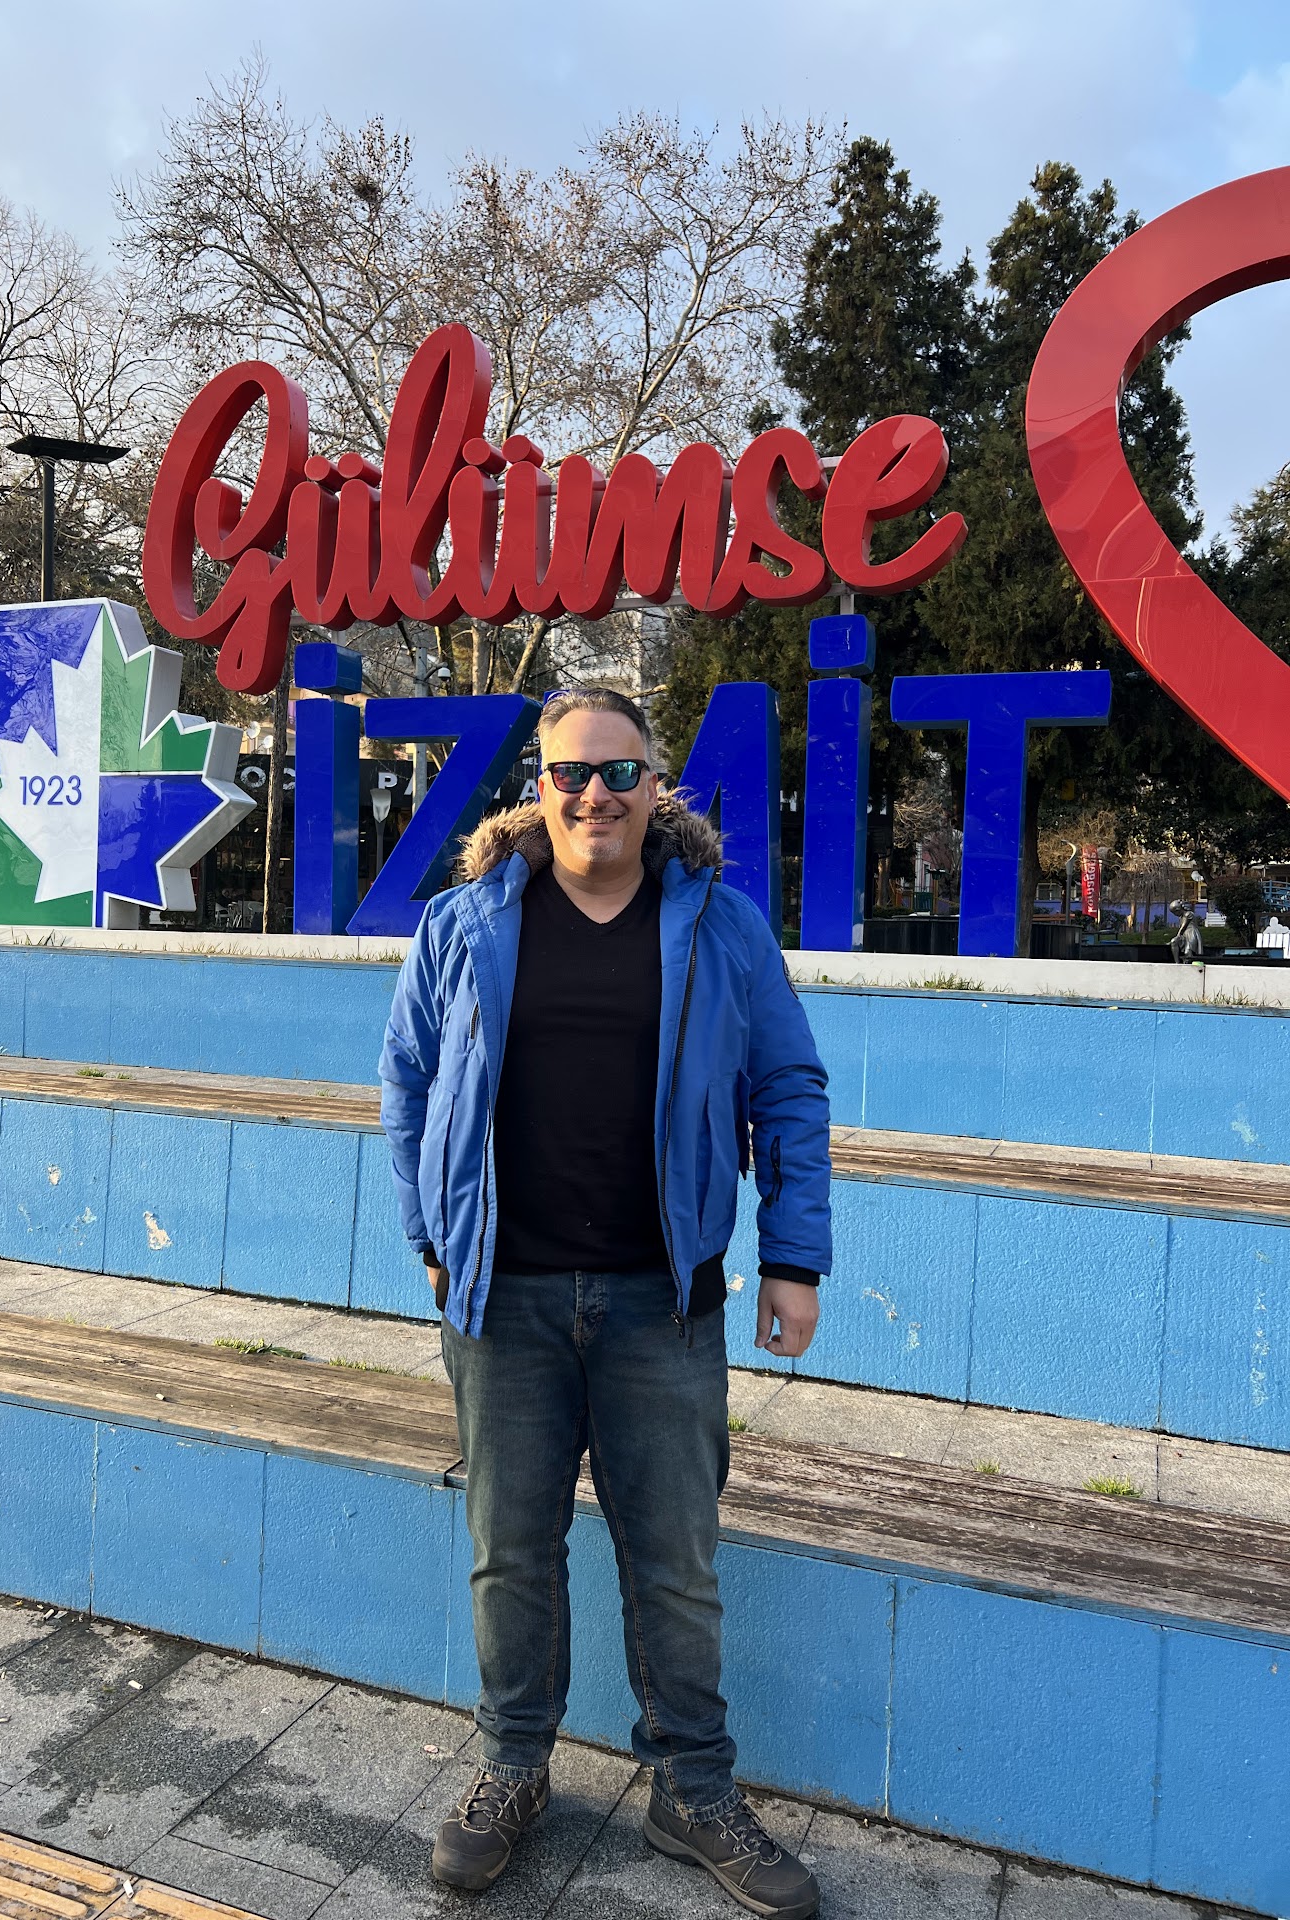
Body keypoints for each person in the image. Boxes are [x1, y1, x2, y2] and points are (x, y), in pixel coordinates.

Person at [380, 689, 831, 1918]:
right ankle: (513, 1767)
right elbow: (408, 1082)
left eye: (619, 773)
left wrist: (792, 1258)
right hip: (503, 1300)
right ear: (538, 786)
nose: (594, 795)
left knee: (674, 1562)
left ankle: (693, 1788)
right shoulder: (464, 922)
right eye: (571, 773)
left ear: (656, 784)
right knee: (511, 1553)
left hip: (659, 1301)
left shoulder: (721, 924)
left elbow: (788, 1086)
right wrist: (431, 1236)